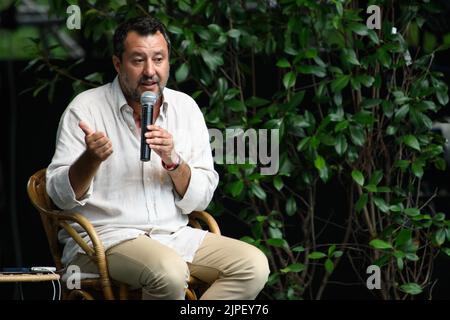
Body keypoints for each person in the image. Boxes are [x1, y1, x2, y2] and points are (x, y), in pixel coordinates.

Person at [46, 16, 269, 300]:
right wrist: (90, 159)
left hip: (174, 236)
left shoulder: (185, 108)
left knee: (252, 266)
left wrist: (174, 162)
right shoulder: (86, 109)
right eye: (138, 60)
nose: (150, 71)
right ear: (118, 64)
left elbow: (201, 199)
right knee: (169, 272)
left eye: (159, 59)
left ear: (168, 62)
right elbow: (59, 197)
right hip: (107, 238)